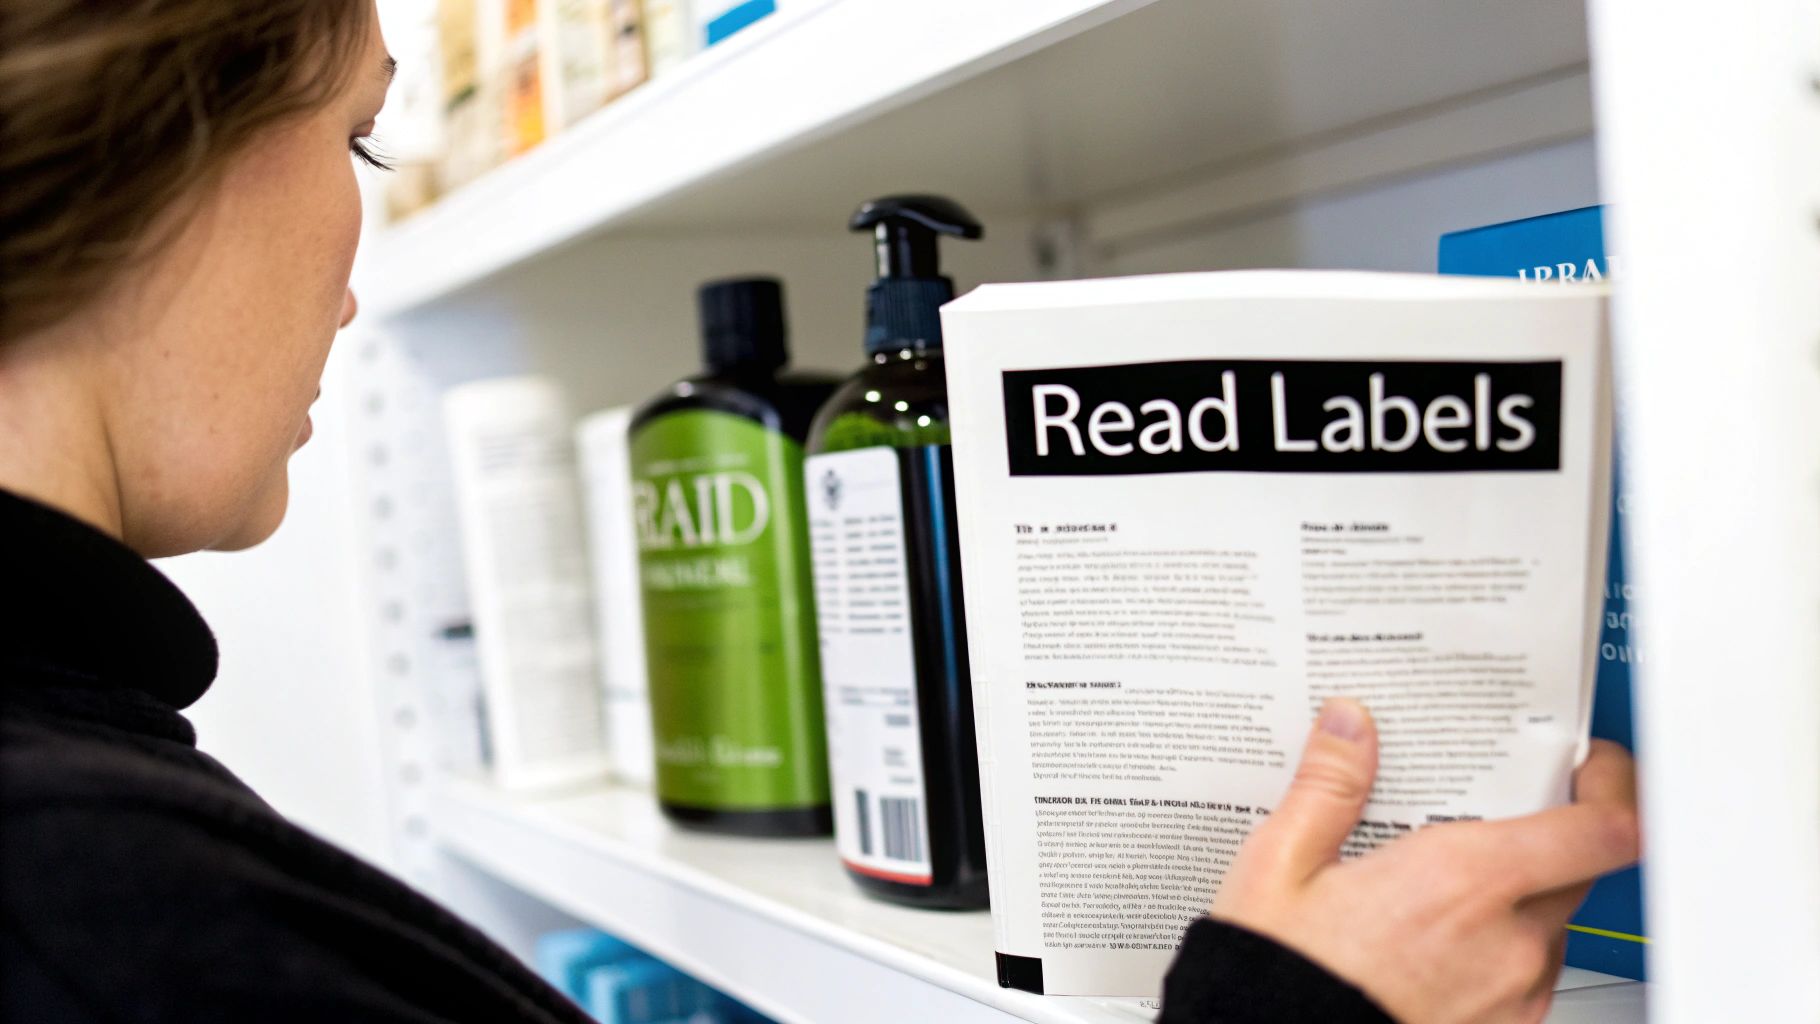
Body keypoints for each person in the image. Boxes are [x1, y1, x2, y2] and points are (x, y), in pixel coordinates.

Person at [0, 2, 1640, 1021]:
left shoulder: (93, 802)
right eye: (359, 136)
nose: (353, 278)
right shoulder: (74, 892)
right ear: (150, 136)